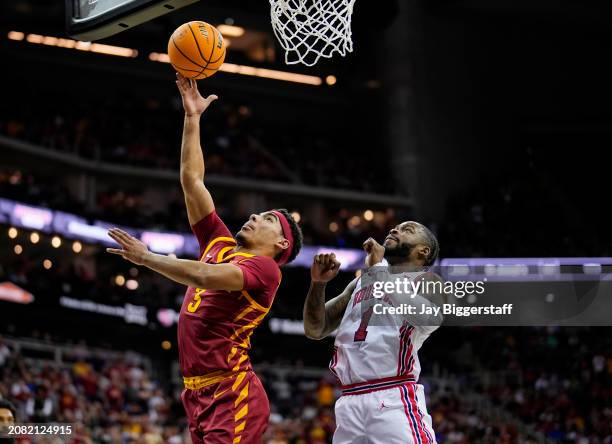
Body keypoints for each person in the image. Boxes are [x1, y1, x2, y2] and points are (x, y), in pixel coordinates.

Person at [106, 73, 303, 444]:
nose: (256, 216)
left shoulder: (265, 270)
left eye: (269, 219)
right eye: (260, 213)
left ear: (280, 244)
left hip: (232, 391)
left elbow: (207, 278)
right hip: (196, 393)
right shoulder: (220, 242)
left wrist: (148, 258)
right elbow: (192, 180)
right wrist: (193, 118)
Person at [303, 221, 443, 444]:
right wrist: (318, 284)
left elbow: (430, 318)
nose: (394, 230)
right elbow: (315, 328)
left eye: (407, 230)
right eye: (395, 227)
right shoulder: (359, 283)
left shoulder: (426, 281)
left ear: (423, 251)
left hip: (392, 395)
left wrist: (378, 268)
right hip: (349, 400)